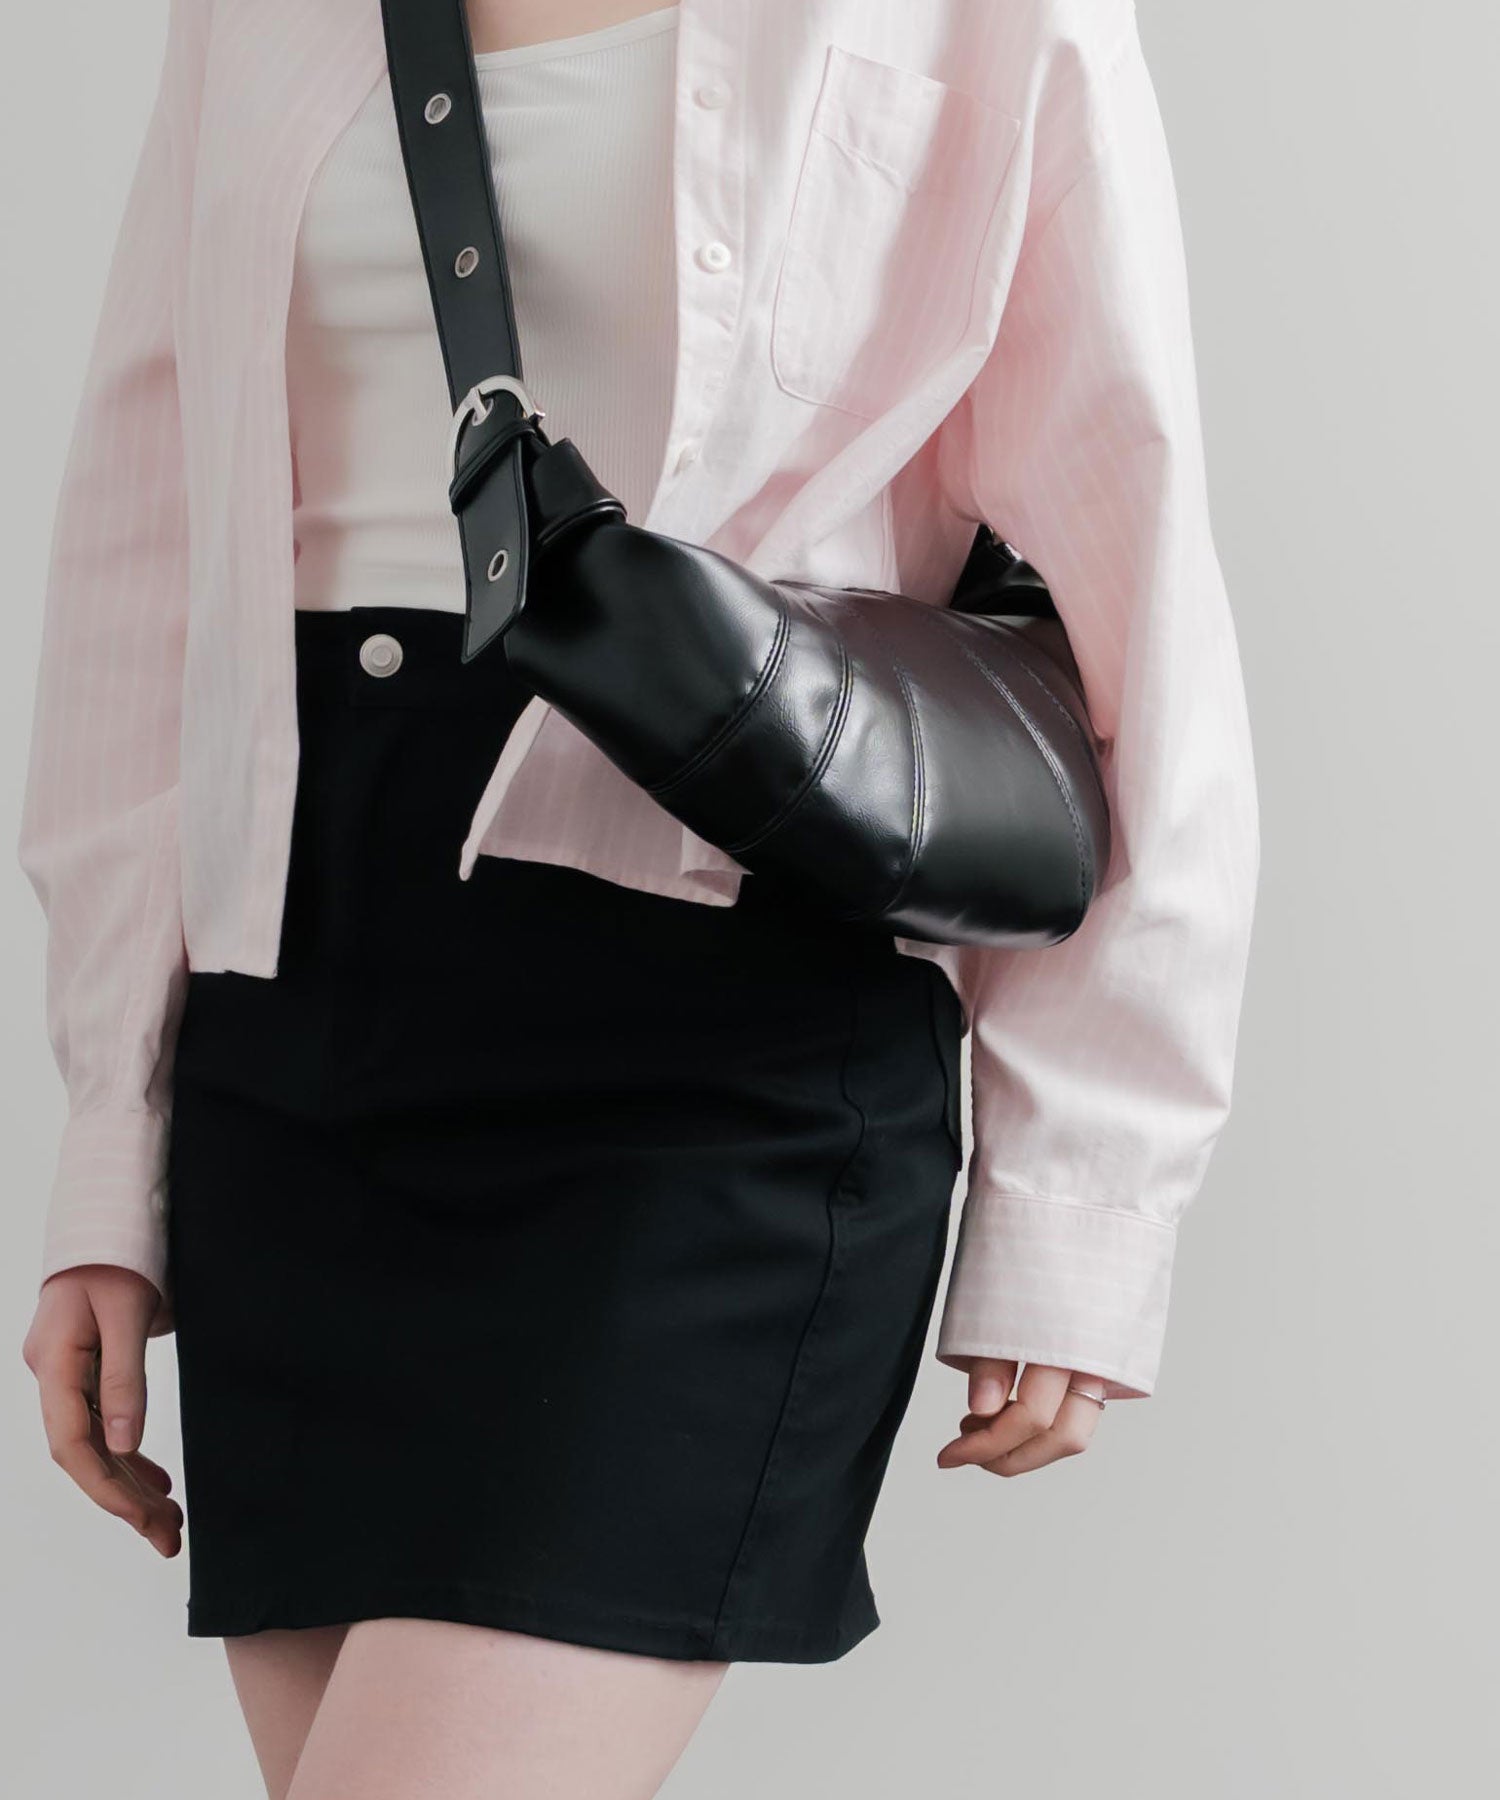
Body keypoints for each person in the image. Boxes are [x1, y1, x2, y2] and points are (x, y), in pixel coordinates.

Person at [16, 1, 1260, 1795]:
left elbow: (1136, 586)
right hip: (294, 1039)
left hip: (716, 1049)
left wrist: (1086, 1193)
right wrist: (111, 1154)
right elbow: (145, 555)